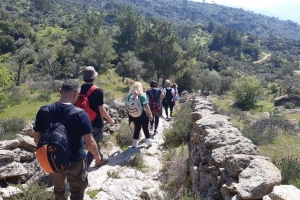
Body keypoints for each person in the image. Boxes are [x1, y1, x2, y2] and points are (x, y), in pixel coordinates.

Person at [33, 79, 101, 200]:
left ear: (60, 91)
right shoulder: (81, 114)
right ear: (76, 93)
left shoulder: (44, 111)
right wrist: (96, 155)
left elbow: (37, 139)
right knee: (77, 191)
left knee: (59, 190)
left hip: (53, 158)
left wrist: (50, 153)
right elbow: (90, 142)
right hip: (76, 161)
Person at [79, 66, 115, 168]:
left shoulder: (79, 89)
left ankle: (101, 158)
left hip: (82, 121)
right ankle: (84, 170)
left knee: (90, 143)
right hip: (96, 122)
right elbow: (101, 110)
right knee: (94, 144)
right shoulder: (97, 91)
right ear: (94, 78)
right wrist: (110, 119)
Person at [126, 82, 153, 148]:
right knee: (145, 127)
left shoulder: (130, 95)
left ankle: (134, 142)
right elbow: (146, 106)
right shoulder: (142, 95)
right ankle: (148, 141)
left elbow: (127, 104)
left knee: (137, 128)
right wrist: (150, 114)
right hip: (143, 114)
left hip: (134, 115)